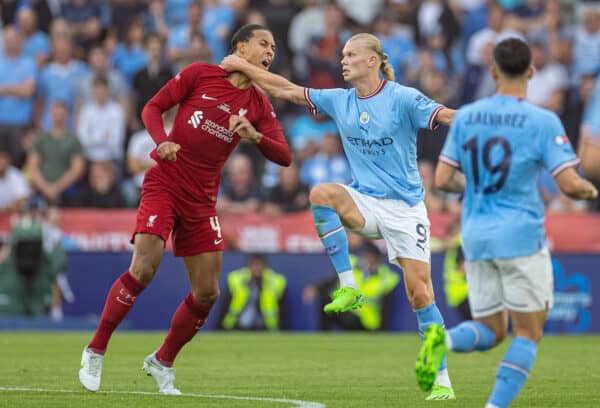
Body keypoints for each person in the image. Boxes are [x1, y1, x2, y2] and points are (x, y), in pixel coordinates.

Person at [221, 32, 456, 400]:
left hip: (406, 209)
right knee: (322, 194)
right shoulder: (339, 100)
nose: (342, 60)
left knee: (420, 294)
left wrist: (485, 123)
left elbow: (446, 115)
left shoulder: (403, 98)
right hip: (365, 200)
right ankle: (348, 285)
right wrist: (244, 66)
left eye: (350, 55)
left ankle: (440, 379)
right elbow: (285, 90)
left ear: (372, 61)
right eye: (342, 54)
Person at [78, 24, 291, 395]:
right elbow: (152, 107)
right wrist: (161, 142)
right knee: (144, 267)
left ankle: (162, 361)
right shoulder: (200, 74)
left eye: (274, 47)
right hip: (166, 182)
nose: (270, 51)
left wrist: (255, 137)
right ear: (241, 47)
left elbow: (284, 156)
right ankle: (95, 349)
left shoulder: (258, 103)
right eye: (263, 43)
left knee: (208, 293)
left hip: (203, 199)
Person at [416, 38, 598, 408]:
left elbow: (443, 180)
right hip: (521, 237)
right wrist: (590, 191)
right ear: (531, 72)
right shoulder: (543, 120)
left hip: (476, 238)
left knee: (491, 330)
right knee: (528, 333)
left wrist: (481, 187)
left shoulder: (466, 115)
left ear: (494, 71)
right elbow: (569, 185)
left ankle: (443, 340)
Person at [303, 241, 399, 331]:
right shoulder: (353, 265)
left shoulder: (386, 277)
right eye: (365, 256)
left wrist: (381, 331)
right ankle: (323, 336)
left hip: (367, 321)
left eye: (370, 256)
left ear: (377, 259)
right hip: (349, 311)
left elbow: (386, 309)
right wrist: (315, 288)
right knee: (326, 300)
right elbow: (332, 280)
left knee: (353, 317)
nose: (367, 259)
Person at [218, 253, 288, 331]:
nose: (257, 268)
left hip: (266, 328)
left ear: (265, 266)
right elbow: (224, 306)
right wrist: (220, 328)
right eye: (254, 265)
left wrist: (283, 329)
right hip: (238, 327)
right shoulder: (236, 280)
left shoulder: (276, 281)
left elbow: (283, 310)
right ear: (248, 266)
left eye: (260, 265)